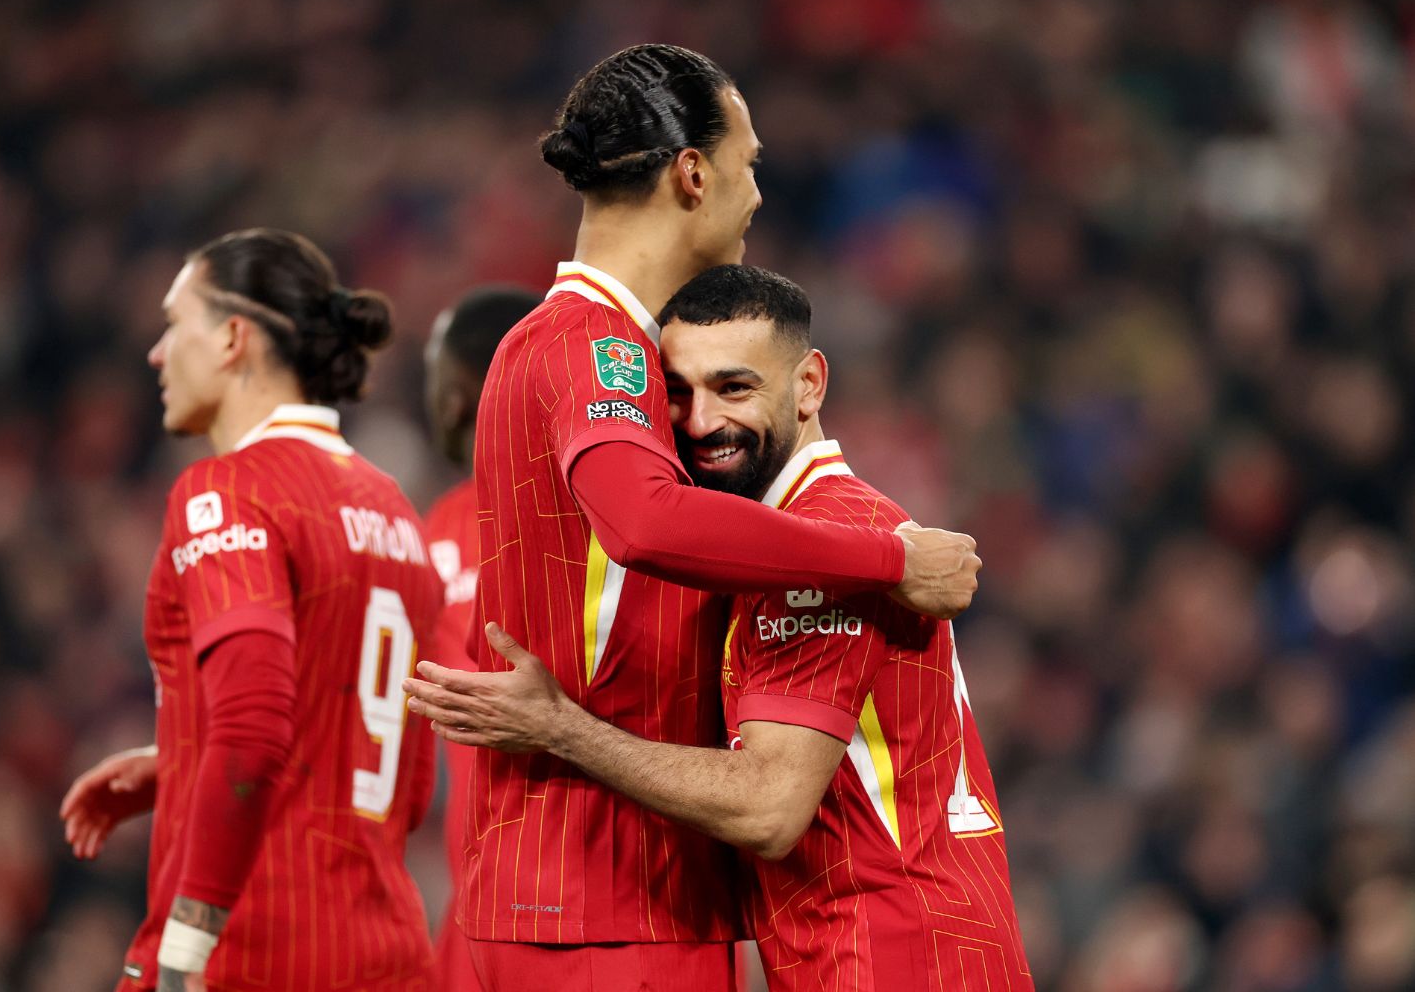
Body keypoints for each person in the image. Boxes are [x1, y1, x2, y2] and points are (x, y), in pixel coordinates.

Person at [439, 44, 983, 992]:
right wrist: (883, 560)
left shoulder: (579, 347)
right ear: (693, 174)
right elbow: (647, 523)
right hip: (607, 901)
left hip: (570, 893)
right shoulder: (596, 345)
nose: (758, 194)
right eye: (750, 162)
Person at [408, 265, 1034, 991]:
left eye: (734, 388)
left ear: (809, 385)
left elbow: (770, 806)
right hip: (883, 946)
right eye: (679, 396)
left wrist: (559, 726)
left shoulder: (829, 542)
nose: (702, 424)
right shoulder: (790, 539)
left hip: (892, 953)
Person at [59, 228, 444, 991]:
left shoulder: (227, 491)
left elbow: (250, 727)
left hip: (254, 952)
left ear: (234, 338)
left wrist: (185, 954)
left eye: (176, 324)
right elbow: (406, 770)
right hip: (388, 955)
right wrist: (182, 762)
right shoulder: (395, 512)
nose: (157, 354)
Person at [421, 285, 542, 992]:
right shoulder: (439, 524)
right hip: (474, 915)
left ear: (456, 393)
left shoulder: (587, 512)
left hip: (575, 907)